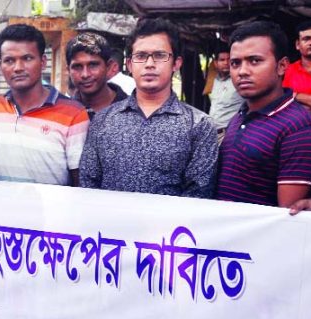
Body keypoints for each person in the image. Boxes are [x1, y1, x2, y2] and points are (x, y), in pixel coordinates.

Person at [79, 18, 218, 198]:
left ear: (176, 63)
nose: (149, 64)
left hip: (170, 226)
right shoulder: (103, 120)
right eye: (141, 56)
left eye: (160, 55)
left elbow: (198, 194)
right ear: (129, 65)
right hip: (108, 224)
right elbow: (88, 183)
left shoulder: (199, 125)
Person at [215, 21, 311, 209]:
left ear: (282, 66)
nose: (242, 71)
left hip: (259, 237)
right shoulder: (240, 116)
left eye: (255, 61)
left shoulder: (299, 128)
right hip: (222, 235)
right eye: (236, 63)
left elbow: (287, 214)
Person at [0, 24, 88, 186]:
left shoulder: (74, 114)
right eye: (9, 60)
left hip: (52, 210)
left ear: (42, 62)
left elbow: (80, 180)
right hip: (0, 209)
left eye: (27, 58)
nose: (18, 68)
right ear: (0, 66)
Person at [65, 32, 129, 119]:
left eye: (93, 65)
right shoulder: (63, 114)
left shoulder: (133, 110)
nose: (85, 74)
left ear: (108, 66)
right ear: (68, 70)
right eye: (77, 66)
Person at [206, 43, 244, 143]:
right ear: (215, 63)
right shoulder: (213, 81)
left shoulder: (240, 81)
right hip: (213, 134)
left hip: (230, 134)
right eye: (222, 60)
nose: (226, 63)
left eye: (229, 59)